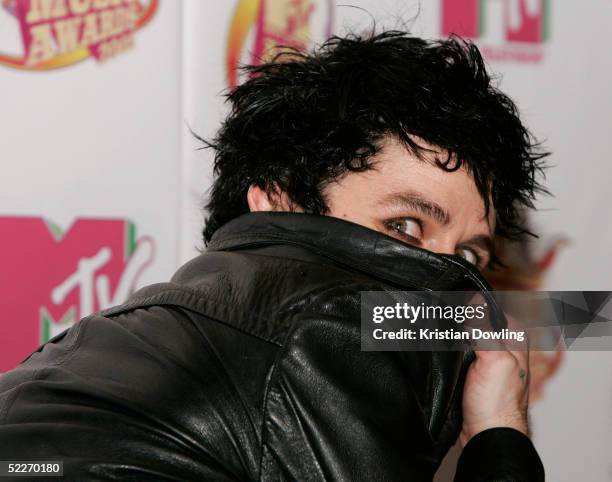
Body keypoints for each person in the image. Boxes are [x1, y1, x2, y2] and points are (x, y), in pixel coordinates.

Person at [0, 31, 548, 481]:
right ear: (279, 198)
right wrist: (499, 432)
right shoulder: (324, 328)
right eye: (402, 226)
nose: (444, 289)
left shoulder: (89, 349)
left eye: (469, 258)